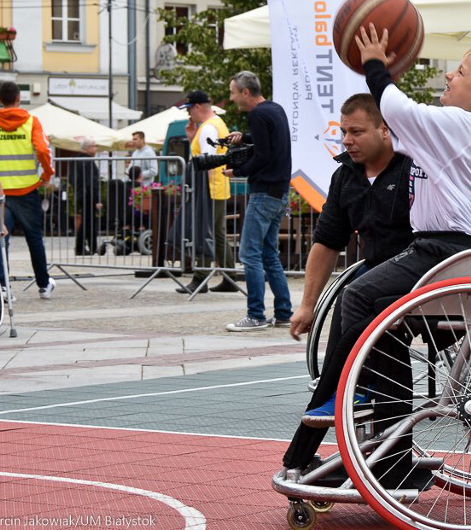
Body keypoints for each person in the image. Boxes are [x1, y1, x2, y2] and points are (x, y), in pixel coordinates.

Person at [299, 25, 471, 427]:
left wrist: (375, 64)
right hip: (444, 245)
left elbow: (399, 111)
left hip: (444, 248)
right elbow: (395, 129)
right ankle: (367, 395)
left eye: (459, 72)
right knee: (373, 304)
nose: (449, 75)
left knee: (355, 296)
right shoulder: (456, 128)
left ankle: (349, 388)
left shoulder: (461, 124)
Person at [281, 93, 414, 480]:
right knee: (350, 301)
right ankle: (327, 431)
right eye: (343, 132)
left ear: (385, 131)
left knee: (363, 303)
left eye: (357, 131)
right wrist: (306, 304)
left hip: (418, 273)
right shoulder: (345, 177)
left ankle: (388, 453)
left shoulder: (414, 169)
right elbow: (326, 243)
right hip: (374, 274)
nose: (347, 140)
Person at [223, 72, 293, 330]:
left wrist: (236, 172)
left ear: (245, 92)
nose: (231, 98)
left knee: (249, 253)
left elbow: (263, 157)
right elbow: (271, 145)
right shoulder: (275, 109)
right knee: (269, 254)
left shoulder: (258, 115)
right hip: (280, 191)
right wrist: (247, 137)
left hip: (263, 193)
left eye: (232, 92)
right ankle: (284, 313)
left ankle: (256, 315)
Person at [0, 81, 56, 299]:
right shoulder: (31, 122)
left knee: (0, 238)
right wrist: (47, 174)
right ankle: (43, 285)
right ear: (18, 98)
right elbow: (43, 149)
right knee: (34, 238)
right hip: (26, 189)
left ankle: (2, 288)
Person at [176, 90, 238, 295]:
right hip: (218, 185)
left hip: (208, 187)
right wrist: (193, 137)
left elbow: (207, 160)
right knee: (217, 233)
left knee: (204, 231)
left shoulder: (208, 128)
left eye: (189, 110)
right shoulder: (216, 124)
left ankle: (200, 277)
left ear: (197, 107)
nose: (188, 115)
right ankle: (229, 276)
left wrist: (203, 190)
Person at [71, 138, 102, 257]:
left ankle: (90, 247)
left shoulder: (77, 160)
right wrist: (96, 199)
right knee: (88, 222)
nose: (96, 148)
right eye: (95, 146)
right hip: (88, 195)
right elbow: (91, 182)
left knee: (87, 222)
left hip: (81, 194)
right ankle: (83, 247)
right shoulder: (88, 161)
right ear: (88, 148)